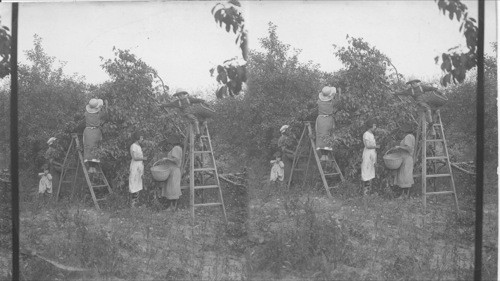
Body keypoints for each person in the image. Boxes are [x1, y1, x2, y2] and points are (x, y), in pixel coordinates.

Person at [153, 135, 183, 210]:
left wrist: (166, 159)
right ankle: (173, 207)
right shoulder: (178, 148)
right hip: (173, 170)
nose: (169, 144)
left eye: (170, 143)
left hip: (174, 170)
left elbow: (176, 160)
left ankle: (172, 207)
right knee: (172, 188)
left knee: (172, 189)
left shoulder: (176, 148)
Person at [83, 98, 107, 173]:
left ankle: (90, 167)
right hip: (96, 132)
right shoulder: (99, 114)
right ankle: (94, 167)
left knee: (89, 148)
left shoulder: (86, 114)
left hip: (88, 131)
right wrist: (106, 105)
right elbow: (106, 114)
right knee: (95, 147)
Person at [315, 86, 339, 160]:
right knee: (329, 135)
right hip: (328, 119)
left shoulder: (319, 102)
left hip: (320, 120)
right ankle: (326, 154)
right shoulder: (331, 102)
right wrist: (339, 93)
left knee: (321, 136)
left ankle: (322, 155)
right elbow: (337, 100)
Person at [392, 124, 415, 197]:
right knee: (405, 176)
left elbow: (409, 148)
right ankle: (404, 195)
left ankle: (404, 195)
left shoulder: (408, 136)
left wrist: (399, 147)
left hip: (406, 158)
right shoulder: (411, 136)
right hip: (407, 158)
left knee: (405, 177)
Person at [129, 131, 148, 208]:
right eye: (141, 137)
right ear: (138, 138)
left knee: (138, 183)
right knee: (134, 184)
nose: (142, 139)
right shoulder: (133, 146)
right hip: (135, 167)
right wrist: (143, 158)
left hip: (139, 167)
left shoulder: (139, 146)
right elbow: (134, 157)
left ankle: (136, 203)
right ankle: (132, 204)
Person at [361, 119, 380, 195]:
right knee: (366, 172)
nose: (375, 127)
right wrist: (376, 146)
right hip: (367, 155)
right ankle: (365, 193)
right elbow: (368, 146)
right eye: (374, 125)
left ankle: (369, 192)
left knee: (371, 173)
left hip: (372, 155)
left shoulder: (371, 134)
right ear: (370, 126)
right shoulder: (366, 134)